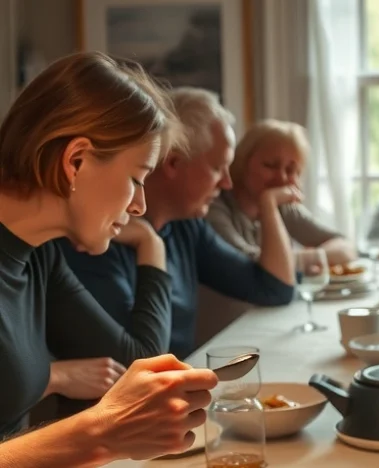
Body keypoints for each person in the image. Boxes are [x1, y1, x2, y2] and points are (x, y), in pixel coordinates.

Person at [0, 51, 217, 463]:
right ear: (76, 161)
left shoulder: (39, 255)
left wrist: (152, 245)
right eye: (136, 178)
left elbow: (138, 362)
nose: (140, 206)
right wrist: (101, 432)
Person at [60, 89, 296, 360]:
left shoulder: (187, 227)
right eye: (218, 168)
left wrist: (268, 206)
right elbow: (138, 362)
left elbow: (274, 289)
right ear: (173, 162)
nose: (227, 183)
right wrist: (150, 244)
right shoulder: (97, 240)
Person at [207, 119, 356, 265]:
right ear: (242, 162)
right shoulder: (214, 206)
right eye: (270, 165)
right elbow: (247, 265)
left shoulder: (283, 208)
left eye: (291, 170)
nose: (282, 177)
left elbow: (346, 246)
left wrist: (309, 258)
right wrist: (311, 260)